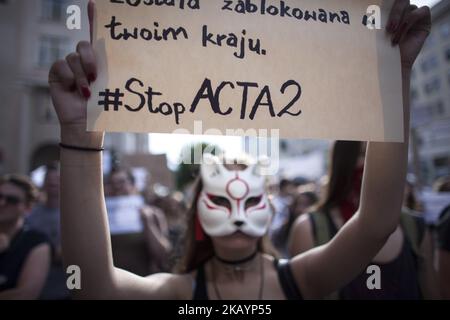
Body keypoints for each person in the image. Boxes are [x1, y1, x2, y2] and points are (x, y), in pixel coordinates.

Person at [48, 0, 431, 299]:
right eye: (220, 199)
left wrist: (391, 78)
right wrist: (80, 139)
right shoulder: (176, 292)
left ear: (269, 207)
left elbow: (377, 223)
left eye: (250, 200)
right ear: (197, 211)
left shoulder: (301, 279)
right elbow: (92, 287)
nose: (236, 213)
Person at [289, 141, 439, 299]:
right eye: (363, 154)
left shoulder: (414, 227)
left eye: (387, 155)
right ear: (343, 161)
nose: (377, 162)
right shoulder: (310, 229)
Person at [0, 174, 51, 299]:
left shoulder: (36, 242)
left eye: (12, 200)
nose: (2, 203)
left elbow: (25, 295)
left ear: (28, 208)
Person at [26, 163, 71, 300]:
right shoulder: (31, 214)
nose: (53, 183)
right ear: (43, 183)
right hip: (39, 286)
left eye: (57, 179)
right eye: (49, 180)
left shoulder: (75, 214)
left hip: (68, 283)